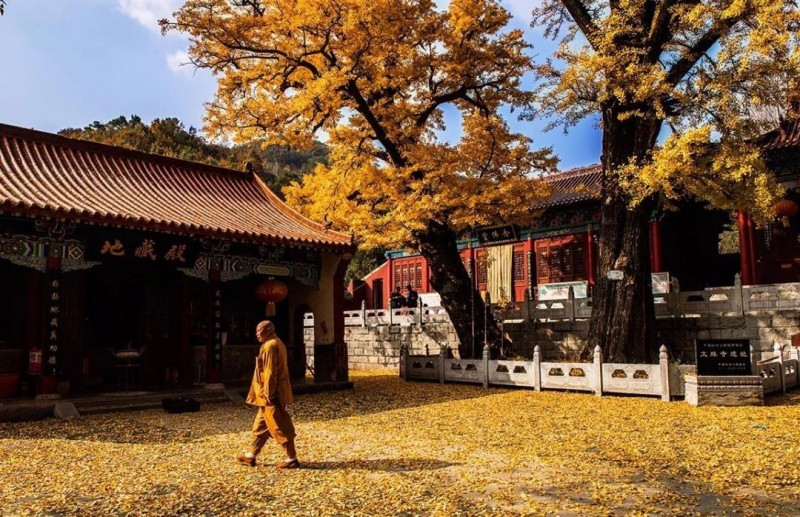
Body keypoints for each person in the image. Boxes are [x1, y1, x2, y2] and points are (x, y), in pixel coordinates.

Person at [237, 320, 299, 469]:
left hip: (271, 394)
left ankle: (292, 458)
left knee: (280, 425)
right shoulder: (275, 343)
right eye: (257, 331)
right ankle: (251, 455)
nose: (257, 334)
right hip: (266, 395)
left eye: (260, 331)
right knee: (261, 425)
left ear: (269, 330)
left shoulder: (271, 346)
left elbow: (270, 372)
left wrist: (269, 393)